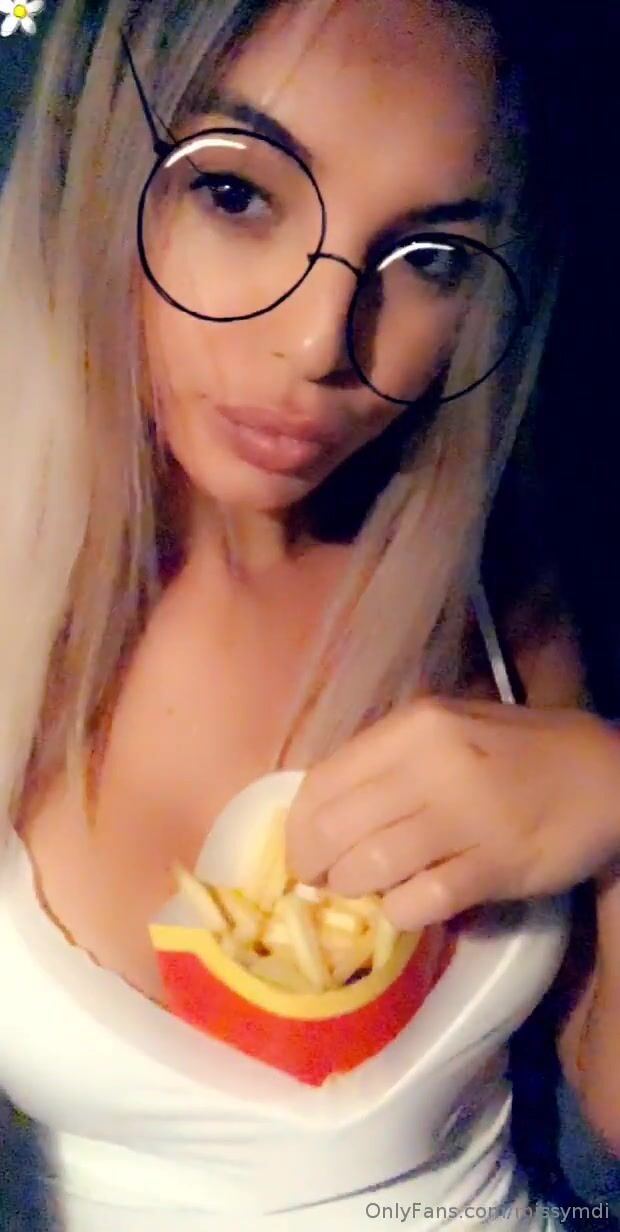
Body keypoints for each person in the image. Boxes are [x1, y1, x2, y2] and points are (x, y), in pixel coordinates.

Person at [0, 0, 608, 1228]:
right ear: (98, 169)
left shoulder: (492, 586)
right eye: (236, 195)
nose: (321, 340)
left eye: (428, 257)